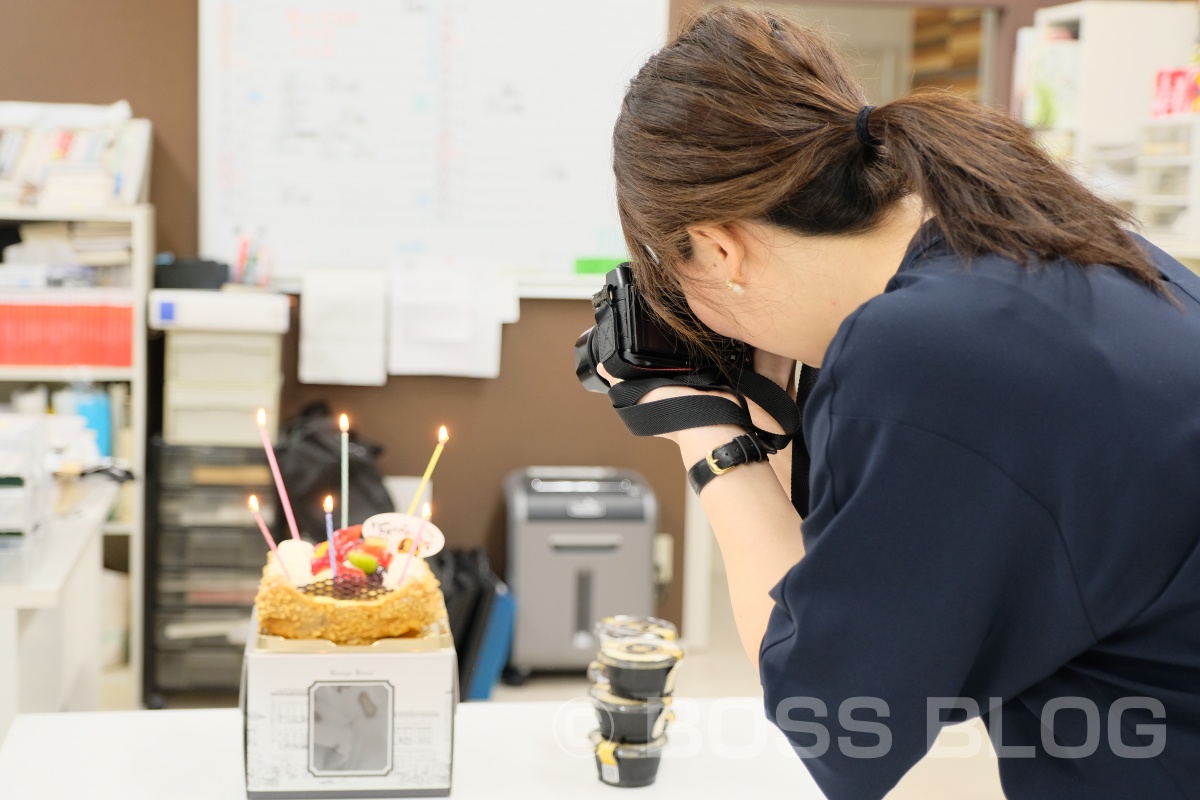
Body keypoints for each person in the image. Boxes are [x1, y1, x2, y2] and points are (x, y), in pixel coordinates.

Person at [605, 7, 1200, 799]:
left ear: (718, 248)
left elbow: (838, 723)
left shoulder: (923, 353)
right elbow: (892, 615)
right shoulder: (1045, 246)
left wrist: (706, 431)